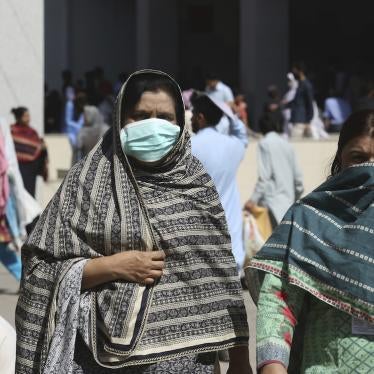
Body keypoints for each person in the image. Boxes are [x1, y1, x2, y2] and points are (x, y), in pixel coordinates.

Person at [16, 70, 250, 373]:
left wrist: (241, 360)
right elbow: (39, 270)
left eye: (165, 117)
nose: (153, 125)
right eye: (140, 116)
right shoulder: (86, 181)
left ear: (181, 123)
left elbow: (221, 276)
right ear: (119, 118)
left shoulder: (197, 184)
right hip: (102, 360)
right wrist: (112, 267)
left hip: (188, 363)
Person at [251, 109, 374, 373]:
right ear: (340, 159)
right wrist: (272, 366)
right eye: (359, 158)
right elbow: (278, 300)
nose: (369, 169)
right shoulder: (307, 220)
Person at [191, 94, 248, 269]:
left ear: (200, 117)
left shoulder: (189, 146)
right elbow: (242, 134)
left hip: (199, 237)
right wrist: (229, 113)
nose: (191, 118)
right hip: (231, 242)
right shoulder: (234, 146)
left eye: (193, 114)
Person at [244, 113, 304, 227]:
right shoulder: (287, 145)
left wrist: (252, 200)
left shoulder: (264, 143)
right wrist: (295, 198)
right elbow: (298, 180)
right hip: (288, 205)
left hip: (271, 205)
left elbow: (264, 176)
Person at [10, 107, 48, 197]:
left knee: (30, 195)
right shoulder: (11, 131)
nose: (28, 118)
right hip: (16, 168)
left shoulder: (32, 132)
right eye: (25, 116)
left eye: (29, 116)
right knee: (16, 195)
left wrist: (42, 147)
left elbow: (37, 146)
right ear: (19, 118)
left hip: (30, 170)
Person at [289, 62, 314, 138]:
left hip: (301, 122)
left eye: (295, 71)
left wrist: (308, 121)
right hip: (296, 120)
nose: (293, 73)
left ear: (300, 71)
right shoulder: (298, 84)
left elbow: (310, 103)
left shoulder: (306, 85)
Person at [65, 92, 87, 165]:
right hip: (72, 134)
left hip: (80, 134)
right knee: (76, 153)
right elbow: (68, 121)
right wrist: (79, 126)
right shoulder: (70, 105)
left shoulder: (83, 109)